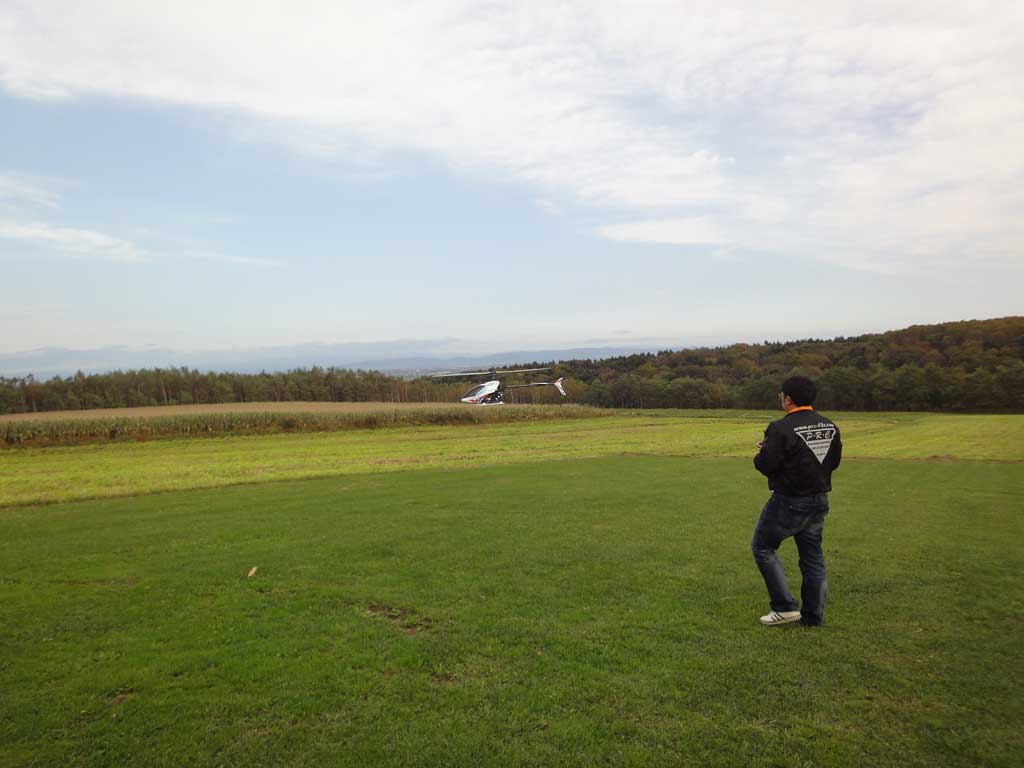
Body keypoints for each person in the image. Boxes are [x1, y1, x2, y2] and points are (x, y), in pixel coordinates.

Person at [751, 376, 842, 627]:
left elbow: (766, 465)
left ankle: (784, 607)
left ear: (788, 399)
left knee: (762, 547)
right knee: (812, 559)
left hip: (788, 501)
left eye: (781, 395)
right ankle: (813, 617)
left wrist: (762, 452)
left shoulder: (780, 428)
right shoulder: (829, 425)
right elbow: (832, 461)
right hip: (819, 500)